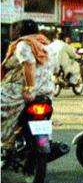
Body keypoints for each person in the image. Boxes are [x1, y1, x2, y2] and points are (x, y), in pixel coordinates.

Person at [1, 20, 54, 154]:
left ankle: (6, 143)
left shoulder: (23, 45)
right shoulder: (46, 45)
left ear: (19, 31)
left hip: (20, 90)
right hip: (46, 90)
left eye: (13, 29)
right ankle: (44, 140)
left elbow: (29, 64)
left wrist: (29, 89)